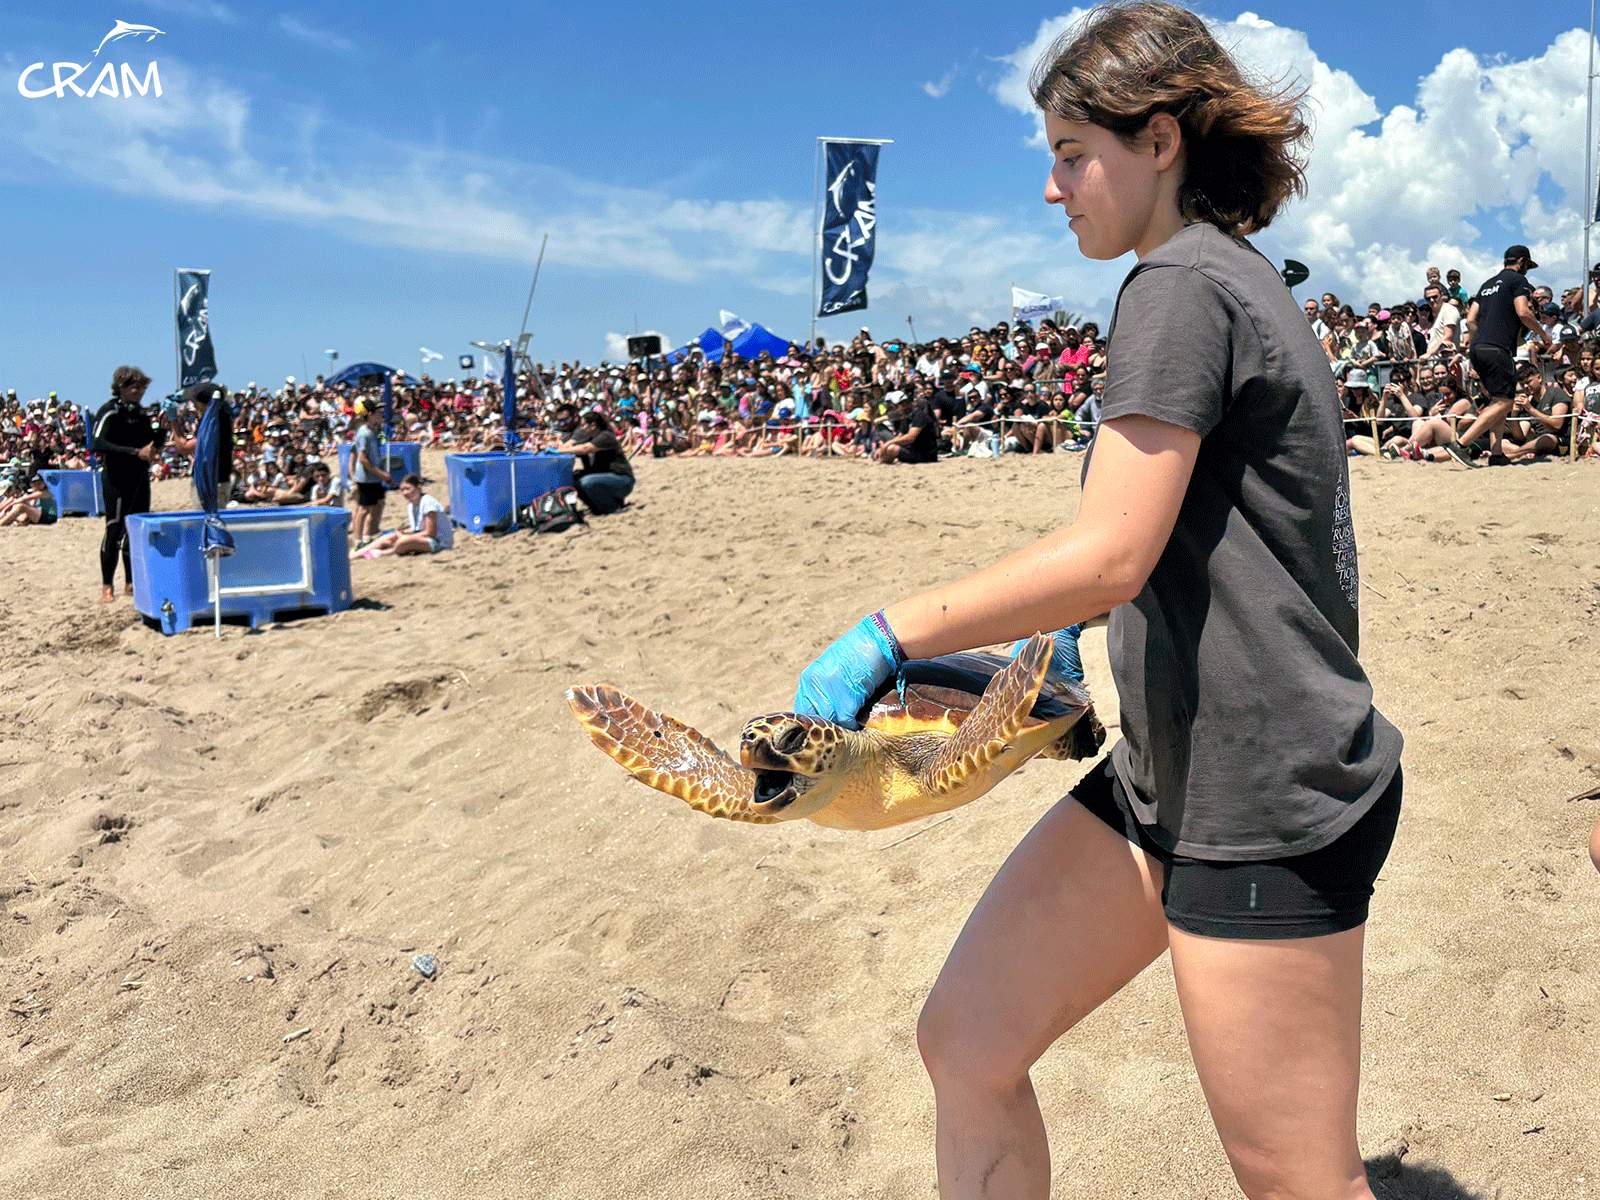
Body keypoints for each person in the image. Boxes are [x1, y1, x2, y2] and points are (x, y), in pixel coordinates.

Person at [790, 6, 1404, 1198]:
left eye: (1073, 154)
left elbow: (1112, 549)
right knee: (966, 1040)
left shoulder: (1176, 286)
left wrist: (890, 631)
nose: (1053, 187)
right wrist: (1066, 637)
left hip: (1262, 794)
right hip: (1169, 767)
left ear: (1160, 140)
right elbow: (1200, 535)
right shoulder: (1234, 279)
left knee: (1299, 1182)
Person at [1448, 245, 1551, 465]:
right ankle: (1461, 444)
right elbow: (1523, 311)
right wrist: (1542, 333)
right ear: (1522, 262)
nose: (1527, 271)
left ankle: (1496, 453)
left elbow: (1471, 320)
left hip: (1479, 348)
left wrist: (1482, 338)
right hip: (1497, 348)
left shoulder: (1486, 285)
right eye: (1527, 266)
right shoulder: (1518, 281)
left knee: (1498, 400)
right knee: (1505, 402)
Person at [92, 365, 165, 603]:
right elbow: (97, 443)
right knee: (114, 530)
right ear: (121, 387)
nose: (139, 390)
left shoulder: (142, 415)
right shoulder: (110, 411)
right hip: (116, 479)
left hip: (139, 478)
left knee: (136, 530)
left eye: (142, 386)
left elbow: (151, 446)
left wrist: (162, 430)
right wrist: (135, 452)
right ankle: (106, 585)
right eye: (134, 386)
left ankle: (131, 582)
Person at [353, 474, 453, 558]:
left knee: (403, 541)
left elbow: (431, 532)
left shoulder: (428, 503)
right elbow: (417, 528)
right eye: (402, 490)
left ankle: (384, 553)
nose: (405, 493)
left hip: (439, 542)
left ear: (418, 487)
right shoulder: (411, 505)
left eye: (408, 489)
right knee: (389, 536)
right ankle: (357, 554)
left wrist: (406, 536)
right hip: (426, 537)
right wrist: (402, 532)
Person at [555, 410, 634, 514]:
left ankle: (613, 507)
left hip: (622, 479)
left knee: (586, 482)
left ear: (592, 425)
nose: (582, 428)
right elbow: (573, 447)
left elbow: (585, 449)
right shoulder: (591, 437)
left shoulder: (605, 436)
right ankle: (596, 507)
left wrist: (559, 450)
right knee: (572, 479)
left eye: (583, 425)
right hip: (606, 477)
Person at [350, 402, 390, 543]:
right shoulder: (364, 433)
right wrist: (381, 474)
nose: (381, 416)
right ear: (370, 415)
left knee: (378, 504)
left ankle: (369, 533)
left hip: (374, 476)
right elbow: (362, 459)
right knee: (364, 509)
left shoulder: (372, 430)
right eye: (378, 413)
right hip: (367, 478)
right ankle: (357, 540)